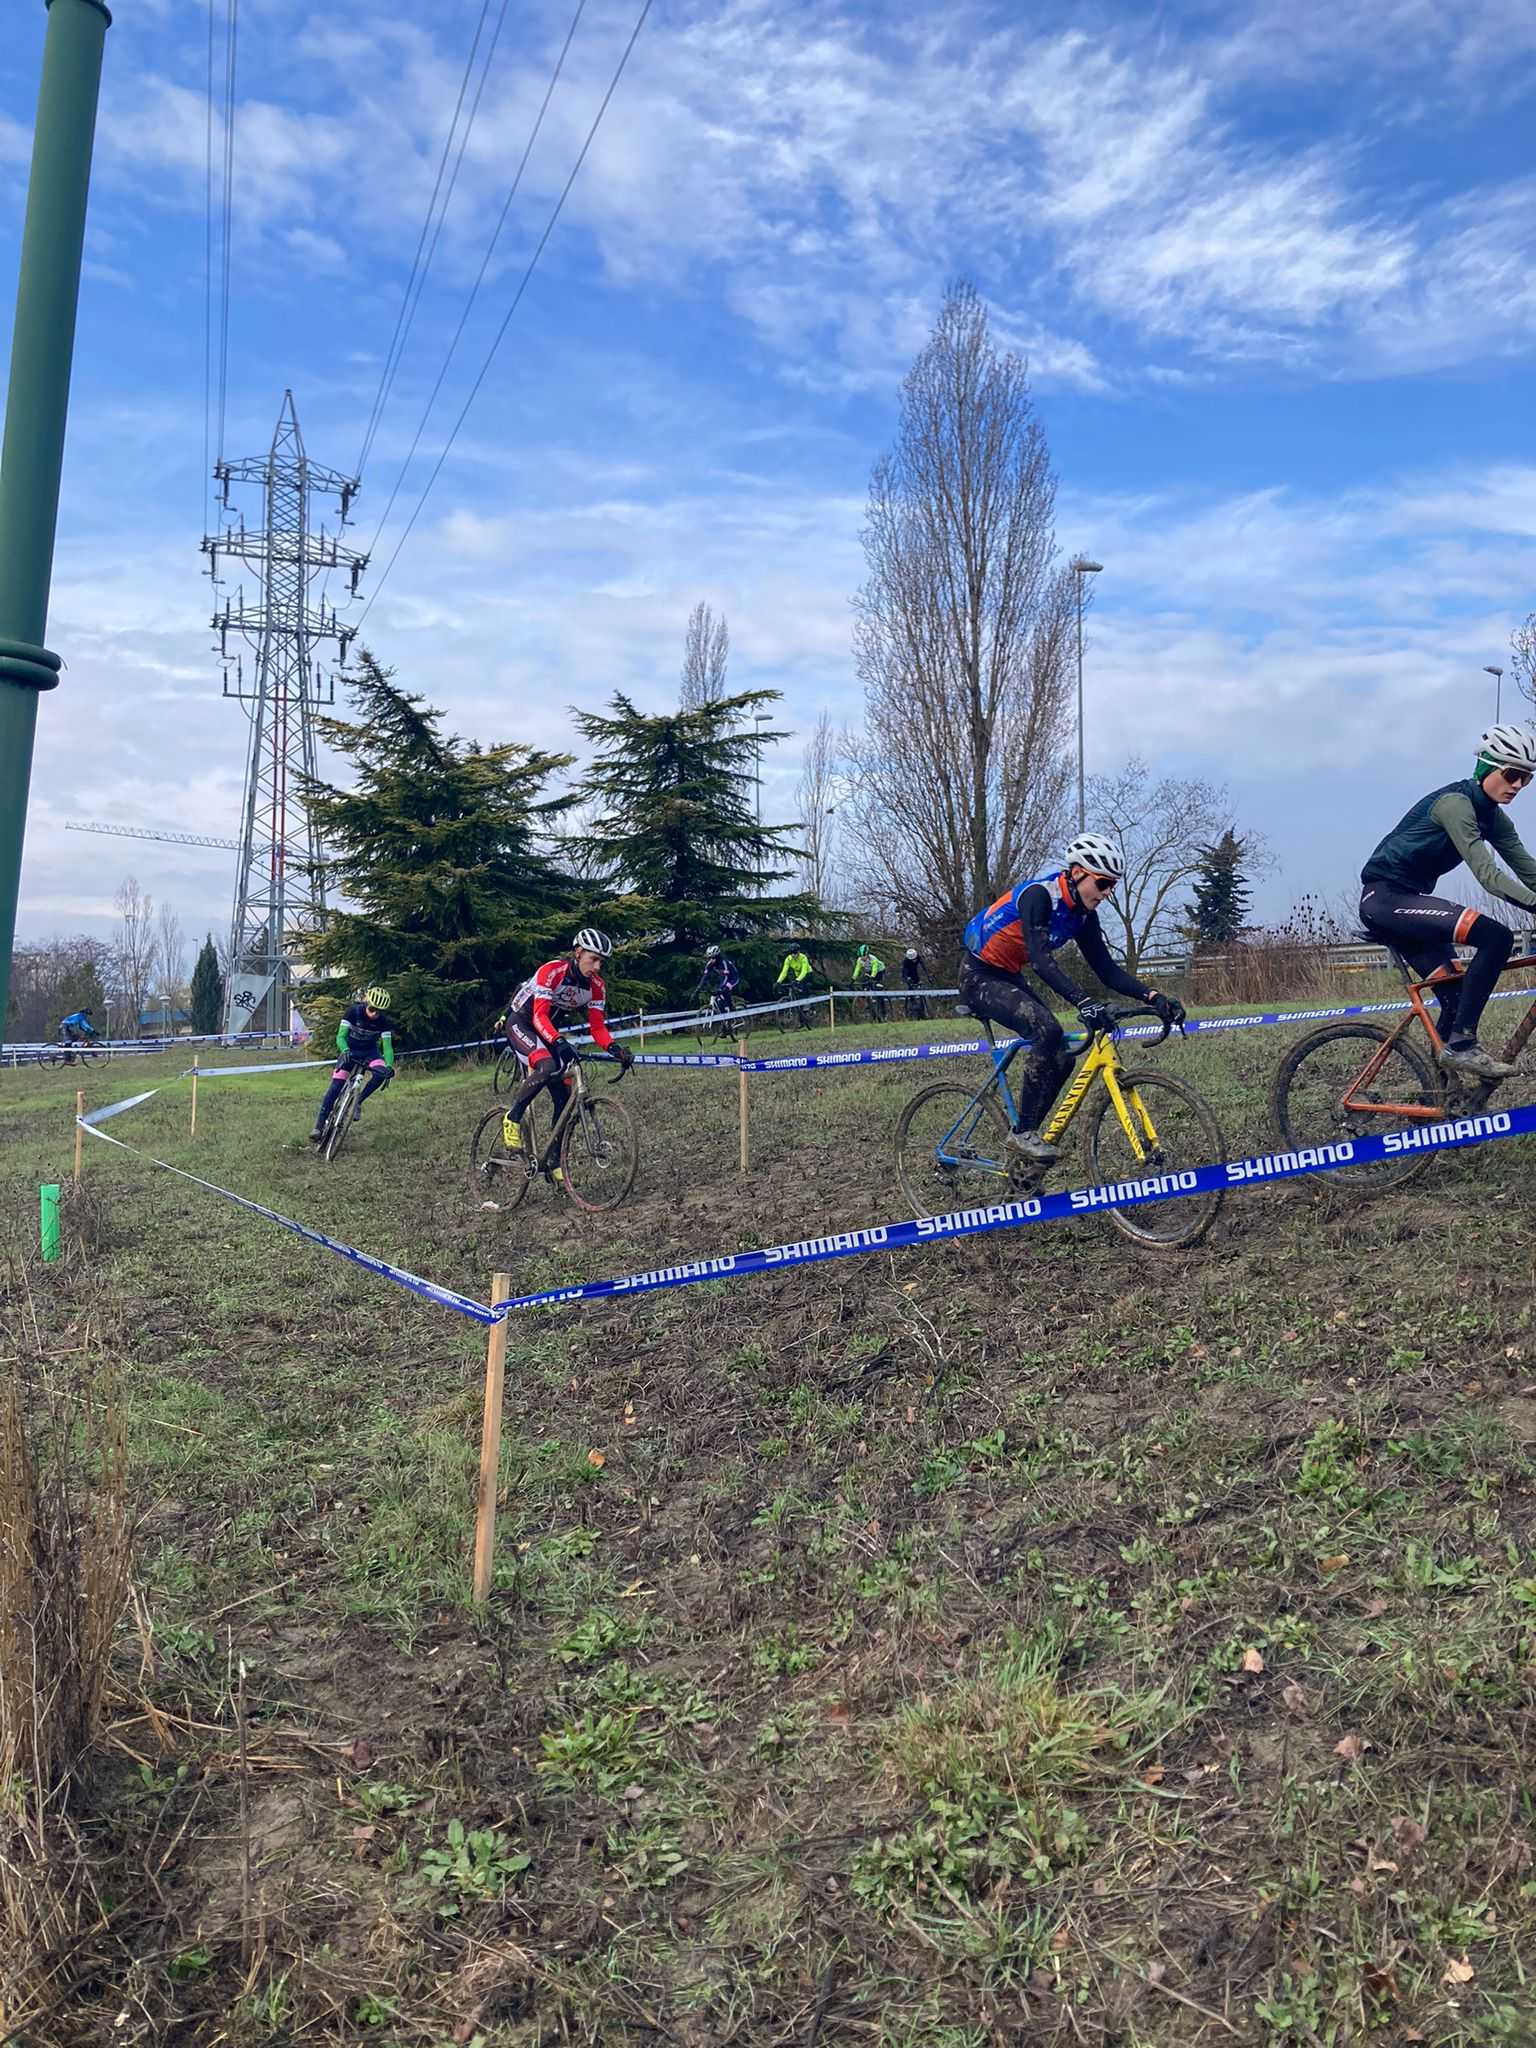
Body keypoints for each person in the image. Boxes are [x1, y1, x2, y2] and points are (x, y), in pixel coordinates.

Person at [959, 834, 1184, 1164]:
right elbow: (1040, 960)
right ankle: (1022, 1136)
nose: (1107, 893)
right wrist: (1083, 1001)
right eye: (1103, 883)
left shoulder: (1082, 916)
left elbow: (1106, 970)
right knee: (1046, 1031)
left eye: (1113, 886)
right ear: (1078, 872)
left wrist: (1153, 996)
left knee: (1062, 1054)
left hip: (1009, 974)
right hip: (978, 974)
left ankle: (1026, 1139)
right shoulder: (1039, 896)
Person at [1359, 723, 1536, 1080]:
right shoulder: (1455, 804)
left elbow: (1528, 870)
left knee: (1455, 999)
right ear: (1487, 767)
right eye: (1513, 774)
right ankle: (1463, 1044)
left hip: (1409, 902)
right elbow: (1489, 876)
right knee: (1496, 937)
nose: (1518, 785)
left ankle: (1442, 1100)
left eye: (1527, 778)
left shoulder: (1495, 819)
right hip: (1385, 898)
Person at [500, 929, 633, 1180]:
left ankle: (552, 1160)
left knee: (564, 1094)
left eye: (601, 961)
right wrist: (559, 1042)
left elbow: (597, 1027)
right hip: (523, 1023)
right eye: (593, 959)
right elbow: (539, 1015)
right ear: (578, 952)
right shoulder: (552, 971)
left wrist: (615, 1049)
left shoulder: (596, 987)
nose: (597, 966)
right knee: (548, 1065)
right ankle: (512, 1117)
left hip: (547, 1029)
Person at [309, 988, 396, 1142]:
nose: (375, 1013)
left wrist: (389, 1066)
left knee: (380, 1074)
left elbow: (387, 1048)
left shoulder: (383, 1021)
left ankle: (357, 1102)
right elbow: (340, 1037)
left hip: (370, 1053)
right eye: (372, 1009)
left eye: (379, 1011)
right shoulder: (353, 1012)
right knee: (335, 1087)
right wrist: (345, 1050)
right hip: (350, 1050)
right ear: (367, 1003)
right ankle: (319, 1126)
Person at [775, 947, 816, 1028]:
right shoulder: (788, 959)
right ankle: (801, 1021)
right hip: (798, 976)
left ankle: (808, 1007)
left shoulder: (803, 957)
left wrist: (797, 980)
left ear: (798, 952)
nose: (793, 955)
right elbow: (784, 972)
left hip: (808, 975)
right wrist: (778, 982)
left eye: (795, 953)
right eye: (792, 953)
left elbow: (804, 971)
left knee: (803, 990)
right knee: (795, 993)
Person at [695, 944, 740, 1013]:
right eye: (709, 958)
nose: (711, 960)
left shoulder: (724, 963)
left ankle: (732, 1010)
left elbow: (726, 977)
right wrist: (698, 988)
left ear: (717, 956)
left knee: (725, 990)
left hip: (733, 977)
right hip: (723, 977)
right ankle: (724, 1015)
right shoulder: (709, 964)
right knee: (719, 998)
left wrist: (722, 989)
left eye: (712, 958)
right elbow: (705, 976)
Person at [852, 942, 888, 1021]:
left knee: (878, 989)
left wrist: (872, 977)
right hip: (868, 971)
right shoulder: (860, 960)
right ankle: (869, 1001)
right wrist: (853, 978)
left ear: (867, 954)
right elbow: (857, 969)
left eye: (864, 956)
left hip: (879, 971)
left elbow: (875, 969)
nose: (862, 958)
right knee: (864, 982)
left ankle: (884, 1012)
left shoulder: (873, 959)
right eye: (861, 956)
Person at [900, 945, 928, 1019]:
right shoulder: (906, 961)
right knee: (910, 986)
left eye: (915, 959)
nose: (914, 960)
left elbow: (923, 966)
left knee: (917, 980)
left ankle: (923, 1005)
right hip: (908, 973)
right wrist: (906, 979)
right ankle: (912, 1001)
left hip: (915, 973)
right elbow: (904, 972)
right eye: (912, 959)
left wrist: (928, 975)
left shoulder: (918, 957)